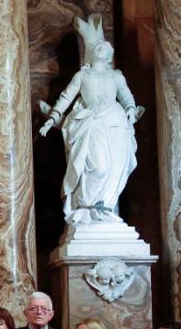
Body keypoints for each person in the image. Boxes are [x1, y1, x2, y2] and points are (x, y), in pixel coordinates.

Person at [37, 15, 142, 227]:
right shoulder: (83, 76)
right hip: (92, 124)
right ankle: (86, 206)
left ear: (110, 54)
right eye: (98, 46)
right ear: (92, 53)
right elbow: (66, 97)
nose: (102, 47)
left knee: (115, 167)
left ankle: (105, 205)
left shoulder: (116, 76)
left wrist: (131, 110)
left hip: (116, 124)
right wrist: (52, 119)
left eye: (105, 45)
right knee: (99, 166)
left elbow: (126, 97)